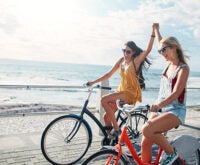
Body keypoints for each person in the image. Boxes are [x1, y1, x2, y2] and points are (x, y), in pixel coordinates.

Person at [86, 24, 156, 139]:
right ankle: (111, 141)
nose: (125, 53)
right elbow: (108, 74)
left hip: (130, 93)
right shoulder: (121, 61)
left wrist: (153, 31)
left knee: (103, 100)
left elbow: (148, 50)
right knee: (106, 118)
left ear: (133, 52)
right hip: (121, 91)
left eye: (128, 52)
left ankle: (117, 129)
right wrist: (93, 82)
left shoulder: (135, 61)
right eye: (123, 50)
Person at [141, 23, 190, 165]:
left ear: (174, 47)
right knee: (145, 142)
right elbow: (160, 43)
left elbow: (176, 93)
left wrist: (158, 105)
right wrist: (156, 29)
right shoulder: (168, 64)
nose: (162, 53)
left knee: (147, 129)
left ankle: (171, 153)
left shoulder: (183, 69)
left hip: (175, 111)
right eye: (160, 51)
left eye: (164, 50)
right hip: (161, 109)